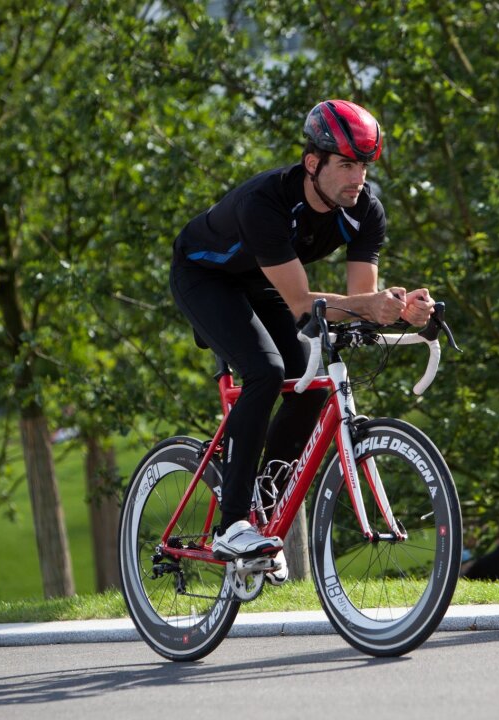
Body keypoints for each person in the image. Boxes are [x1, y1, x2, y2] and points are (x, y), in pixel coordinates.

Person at [170, 99, 434, 580]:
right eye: (347, 165)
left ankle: (262, 507)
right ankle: (232, 526)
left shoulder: (364, 211)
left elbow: (359, 301)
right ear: (313, 163)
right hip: (204, 276)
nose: (359, 177)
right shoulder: (267, 203)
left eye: (365, 165)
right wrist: (370, 305)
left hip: (258, 279)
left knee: (309, 379)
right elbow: (300, 305)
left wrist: (400, 309)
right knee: (266, 370)